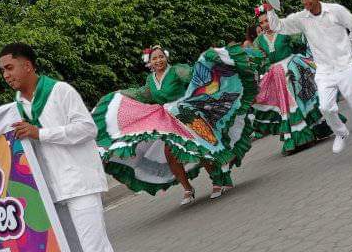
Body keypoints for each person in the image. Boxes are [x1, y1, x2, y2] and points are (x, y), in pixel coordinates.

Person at [0, 43, 135, 252]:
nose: (6, 75)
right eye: (2, 70)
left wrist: (41, 133)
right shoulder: (16, 107)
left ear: (27, 66)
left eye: (9, 67)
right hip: (52, 192)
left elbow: (87, 128)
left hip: (80, 183)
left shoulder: (60, 91)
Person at [92, 44, 257, 204]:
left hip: (188, 115)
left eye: (161, 57)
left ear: (166, 57)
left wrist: (206, 66)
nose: (158, 60)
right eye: (154, 58)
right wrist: (119, 94)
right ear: (149, 62)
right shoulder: (151, 80)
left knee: (201, 148)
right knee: (171, 155)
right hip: (169, 122)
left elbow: (191, 76)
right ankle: (187, 188)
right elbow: (141, 94)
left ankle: (218, 180)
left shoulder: (177, 70)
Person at [263, 0, 352, 158]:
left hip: (346, 66)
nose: (305, 2)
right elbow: (278, 26)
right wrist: (269, 8)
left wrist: (347, 48)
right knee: (325, 107)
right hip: (324, 71)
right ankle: (340, 132)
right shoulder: (301, 18)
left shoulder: (335, 10)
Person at [249, 6, 332, 156]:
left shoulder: (283, 30)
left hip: (293, 70)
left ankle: (311, 133)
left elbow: (300, 42)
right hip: (276, 75)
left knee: (300, 101)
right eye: (262, 22)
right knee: (285, 108)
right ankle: (295, 139)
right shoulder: (258, 41)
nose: (265, 24)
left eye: (267, 20)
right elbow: (258, 60)